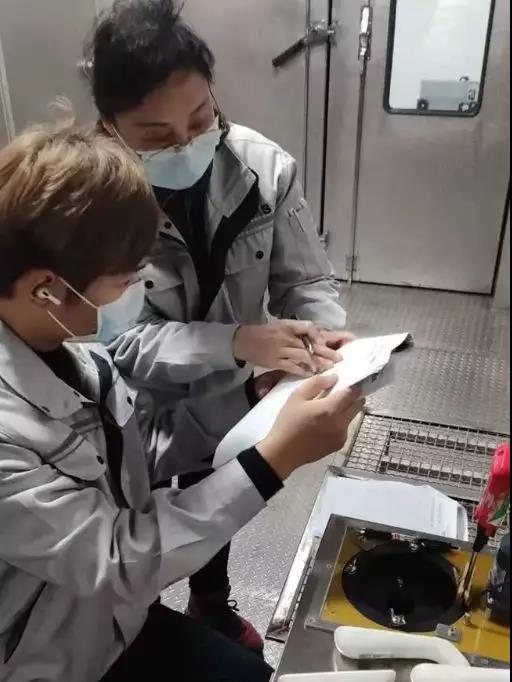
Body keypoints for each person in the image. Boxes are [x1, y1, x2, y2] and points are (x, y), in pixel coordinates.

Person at [0, 122, 363, 682]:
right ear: (46, 289)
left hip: (113, 621)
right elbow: (118, 558)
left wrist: (254, 398)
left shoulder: (71, 353)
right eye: (123, 282)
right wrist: (275, 459)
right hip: (51, 660)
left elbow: (139, 447)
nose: (134, 296)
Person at [86, 0, 354, 651]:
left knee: (221, 487)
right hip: (139, 407)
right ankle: (139, 629)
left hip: (227, 390)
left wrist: (326, 341)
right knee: (143, 520)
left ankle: (211, 600)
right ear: (110, 128)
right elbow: (119, 340)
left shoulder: (264, 170)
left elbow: (306, 280)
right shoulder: (94, 202)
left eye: (202, 118)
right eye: (157, 136)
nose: (186, 144)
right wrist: (237, 341)